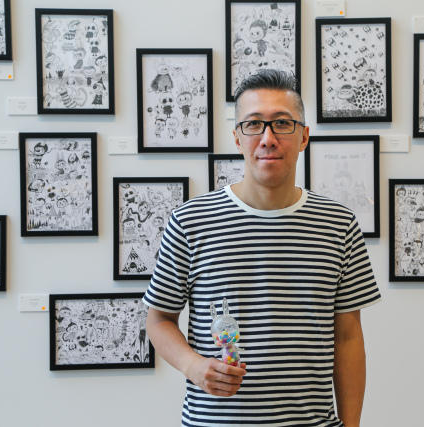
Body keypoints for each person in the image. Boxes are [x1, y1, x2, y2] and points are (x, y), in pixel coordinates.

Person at [143, 69, 381, 426]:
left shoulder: (339, 224)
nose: (268, 138)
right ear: (237, 138)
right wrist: (193, 366)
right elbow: (159, 320)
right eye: (253, 124)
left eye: (282, 123)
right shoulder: (190, 221)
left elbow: (347, 338)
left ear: (303, 136)